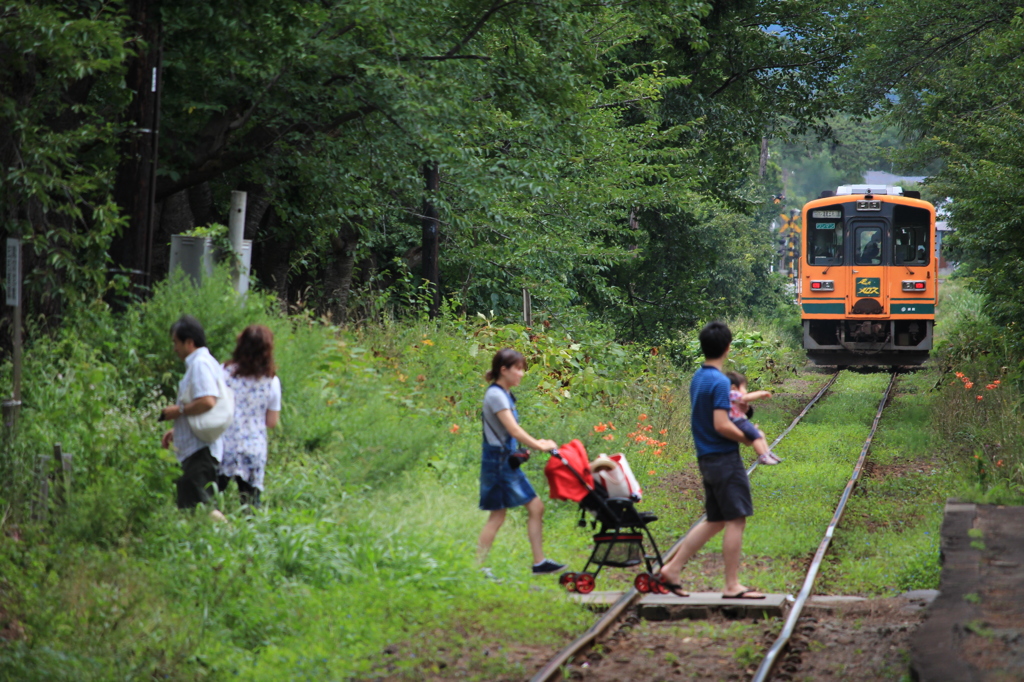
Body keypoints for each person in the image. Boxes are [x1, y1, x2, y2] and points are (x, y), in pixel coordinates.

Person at [653, 321, 765, 599]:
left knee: (715, 519)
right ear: (728, 348)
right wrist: (750, 439)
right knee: (736, 519)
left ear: (703, 347)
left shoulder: (699, 377)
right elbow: (721, 424)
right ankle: (731, 585)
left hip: (706, 456)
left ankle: (672, 569)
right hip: (723, 457)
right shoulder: (718, 381)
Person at [477, 348, 565, 575]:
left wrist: (539, 442)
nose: (521, 373)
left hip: (505, 461)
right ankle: (476, 567)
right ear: (503, 370)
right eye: (517, 369)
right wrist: (541, 445)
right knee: (497, 516)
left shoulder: (504, 394)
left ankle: (539, 563)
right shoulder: (495, 395)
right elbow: (514, 430)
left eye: (521, 369)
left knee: (534, 507)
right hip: (497, 463)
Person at [160, 315, 227, 521]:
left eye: (176, 342)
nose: (174, 348)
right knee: (192, 507)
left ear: (189, 342)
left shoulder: (200, 364)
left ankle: (234, 540)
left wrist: (177, 411)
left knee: (202, 507)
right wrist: (178, 429)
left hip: (199, 451)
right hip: (198, 448)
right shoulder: (204, 363)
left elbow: (207, 401)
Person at [217, 324, 282, 508]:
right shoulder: (272, 381)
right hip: (253, 447)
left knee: (209, 500)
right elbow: (271, 422)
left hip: (224, 445)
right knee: (251, 506)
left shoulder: (224, 373)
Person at [725, 371, 779, 466]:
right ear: (734, 388)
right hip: (738, 422)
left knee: (760, 434)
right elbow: (746, 398)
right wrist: (760, 393)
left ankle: (767, 452)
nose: (745, 391)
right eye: (744, 387)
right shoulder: (732, 394)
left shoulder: (731, 397)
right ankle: (762, 456)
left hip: (740, 421)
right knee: (756, 437)